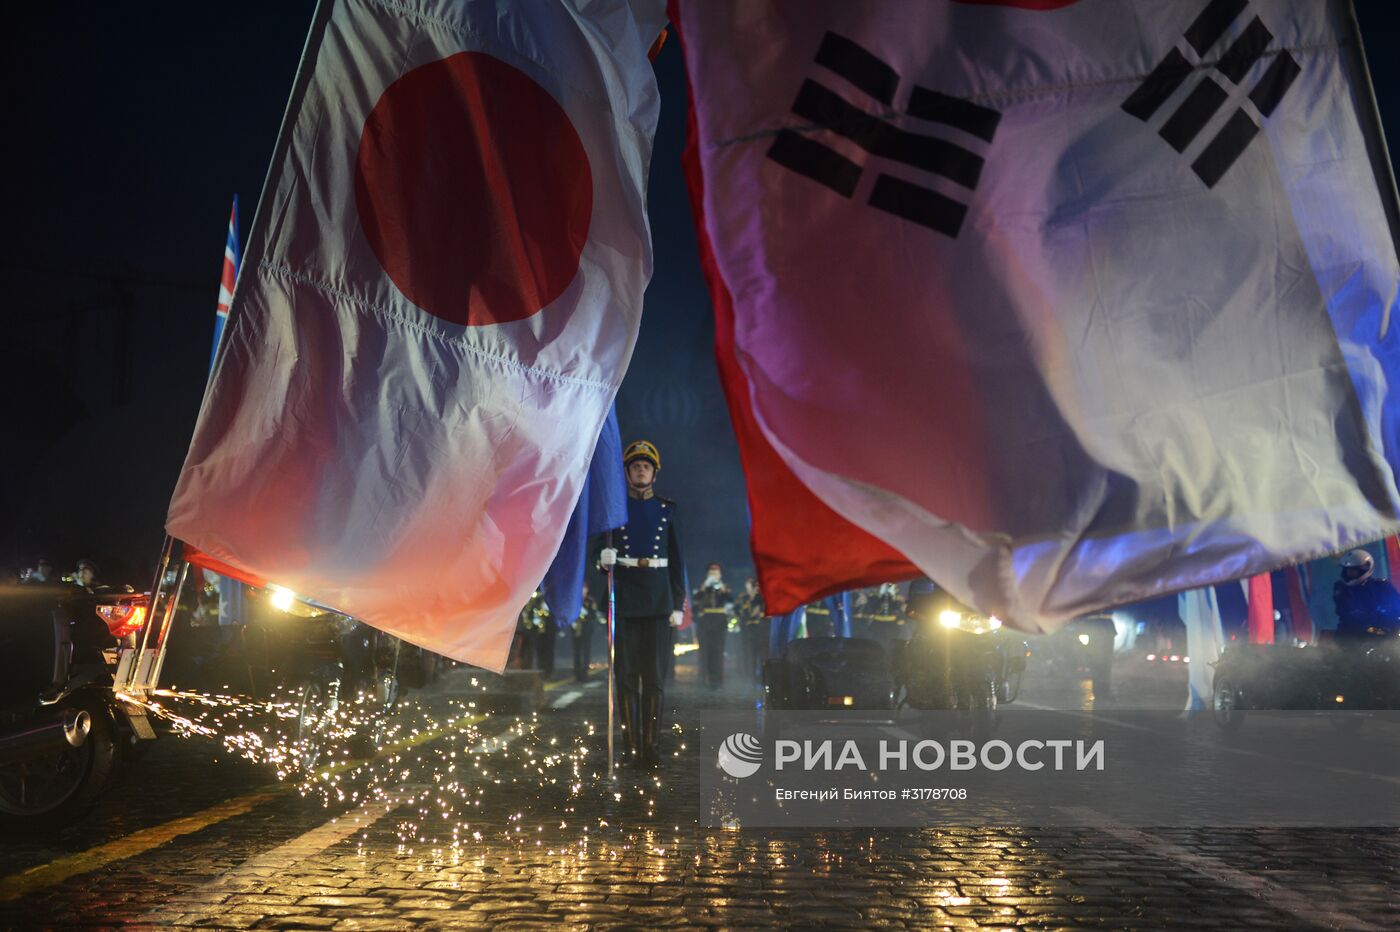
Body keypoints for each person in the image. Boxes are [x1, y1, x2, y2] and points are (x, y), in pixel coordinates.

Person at [597, 440, 685, 767]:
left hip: (659, 602)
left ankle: (651, 747)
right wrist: (601, 559)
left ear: (654, 473)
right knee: (625, 677)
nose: (641, 470)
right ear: (627, 471)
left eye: (646, 466)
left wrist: (679, 603)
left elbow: (678, 562)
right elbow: (597, 551)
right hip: (626, 598)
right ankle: (630, 746)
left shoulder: (667, 510)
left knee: (654, 679)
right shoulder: (614, 509)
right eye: (635, 466)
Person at [1333, 548, 1400, 638]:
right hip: (1352, 633)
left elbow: (1395, 613)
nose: (1349, 573)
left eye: (1353, 570)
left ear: (1364, 569)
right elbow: (1343, 613)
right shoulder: (1341, 588)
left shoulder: (1381, 587)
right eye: (1347, 570)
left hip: (1382, 633)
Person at [692, 562, 734, 689]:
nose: (714, 575)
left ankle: (717, 679)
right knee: (704, 650)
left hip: (719, 621)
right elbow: (696, 599)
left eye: (716, 573)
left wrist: (721, 587)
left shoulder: (724, 587)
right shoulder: (704, 587)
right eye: (711, 573)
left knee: (718, 650)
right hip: (705, 620)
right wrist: (704, 586)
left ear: (720, 574)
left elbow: (730, 599)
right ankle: (703, 678)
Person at [737, 577, 768, 685]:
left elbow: (763, 611)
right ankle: (749, 678)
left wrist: (759, 613)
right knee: (749, 654)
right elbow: (740, 611)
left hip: (762, 629)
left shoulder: (761, 598)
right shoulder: (744, 598)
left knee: (763, 654)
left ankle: (763, 678)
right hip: (748, 629)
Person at [858, 583, 908, 647]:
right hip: (877, 625)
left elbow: (900, 610)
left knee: (891, 644)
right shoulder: (874, 597)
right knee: (877, 644)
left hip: (892, 625)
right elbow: (871, 608)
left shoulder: (898, 598)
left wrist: (901, 617)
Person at [572, 582, 602, 682]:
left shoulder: (590, 601)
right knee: (577, 651)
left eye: (584, 588)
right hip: (576, 628)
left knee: (586, 651)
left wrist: (586, 613)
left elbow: (593, 615)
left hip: (586, 628)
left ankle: (585, 673)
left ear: (587, 589)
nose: (582, 590)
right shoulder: (574, 599)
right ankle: (577, 673)